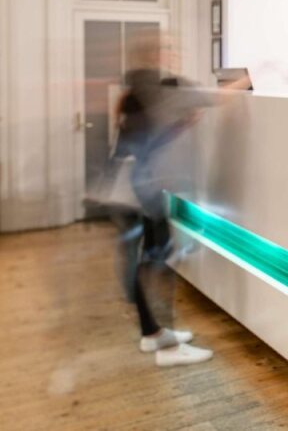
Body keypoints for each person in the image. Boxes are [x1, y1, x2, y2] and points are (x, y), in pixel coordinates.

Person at [113, 35, 215, 367]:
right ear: (154, 54)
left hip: (134, 184)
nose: (174, 54)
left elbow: (147, 133)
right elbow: (215, 98)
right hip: (145, 186)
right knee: (157, 263)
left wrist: (181, 123)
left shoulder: (134, 89)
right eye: (168, 49)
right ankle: (166, 347)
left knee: (149, 259)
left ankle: (152, 333)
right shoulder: (159, 87)